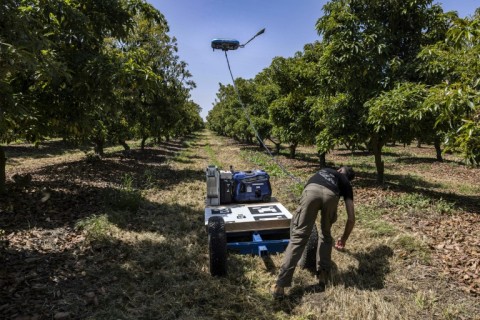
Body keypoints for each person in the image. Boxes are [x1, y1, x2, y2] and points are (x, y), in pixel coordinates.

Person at [271, 166, 356, 299]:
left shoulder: (325, 170)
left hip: (311, 191)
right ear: (349, 179)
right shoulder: (346, 184)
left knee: (299, 237)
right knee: (325, 236)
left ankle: (280, 286)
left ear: (339, 170)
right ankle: (323, 278)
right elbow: (351, 219)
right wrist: (344, 239)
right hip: (332, 196)